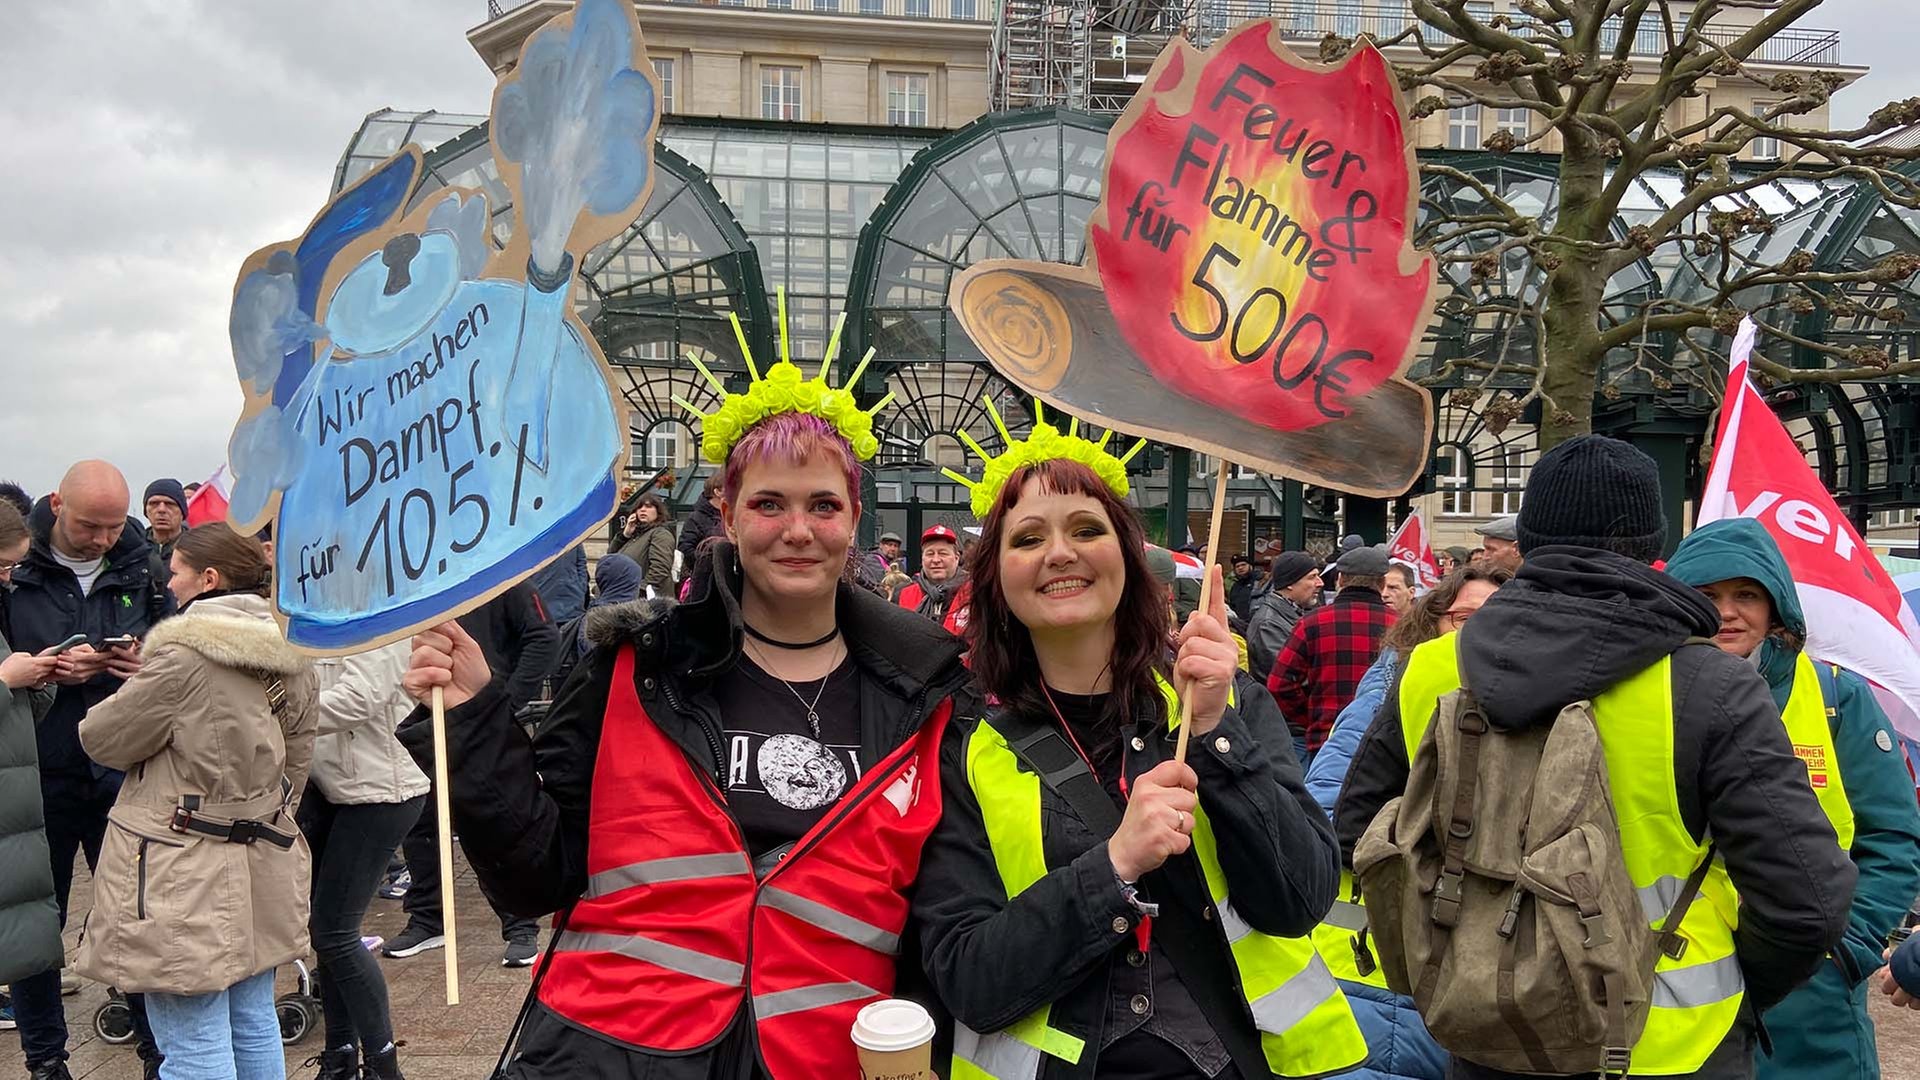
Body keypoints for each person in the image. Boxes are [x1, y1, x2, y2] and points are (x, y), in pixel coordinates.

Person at [396, 354, 975, 1077]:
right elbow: (536, 880)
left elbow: (943, 926)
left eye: (823, 505)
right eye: (769, 504)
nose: (797, 529)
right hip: (612, 1058)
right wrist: (476, 719)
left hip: (826, 1062)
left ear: (855, 519)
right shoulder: (636, 665)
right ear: (727, 516)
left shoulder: (928, 699)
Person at [1335, 435, 1857, 1080]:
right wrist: (1744, 986)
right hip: (1670, 1043)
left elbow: (1360, 836)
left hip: (1489, 1028)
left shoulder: (1431, 669)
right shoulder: (1710, 685)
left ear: (1527, 537)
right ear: (1653, 544)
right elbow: (1806, 900)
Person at [914, 426, 1368, 1080]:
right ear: (995, 578)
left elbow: (1300, 900)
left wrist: (1215, 735)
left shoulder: (1226, 700)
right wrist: (1115, 865)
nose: (1060, 553)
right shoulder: (960, 742)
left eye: (1087, 530)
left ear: (1128, 558)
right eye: (1028, 538)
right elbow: (970, 980)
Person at [1665, 518, 1920, 1080]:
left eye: (1746, 595)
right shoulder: (1644, 691)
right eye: (1706, 596)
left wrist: (1845, 947)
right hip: (1677, 987)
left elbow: (1893, 838)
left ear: (1776, 607)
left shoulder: (1835, 695)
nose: (1727, 611)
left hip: (1813, 998)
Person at [73, 523, 317, 1080]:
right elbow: (296, 760)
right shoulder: (297, 649)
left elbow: (101, 738)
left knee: (192, 1040)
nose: (170, 580)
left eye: (177, 570)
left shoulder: (182, 659)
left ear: (209, 579)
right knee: (253, 1018)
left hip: (179, 867)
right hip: (263, 856)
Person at [1298, 566, 1510, 1080]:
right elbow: (1326, 810)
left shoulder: (1525, 710)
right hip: (1367, 956)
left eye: (1497, 620)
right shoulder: (1388, 691)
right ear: (1431, 622)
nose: (1476, 635)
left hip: (1466, 977)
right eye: (1464, 618)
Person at [6, 461, 171, 1080]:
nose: (102, 538)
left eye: (111, 526)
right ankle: (46, 1058)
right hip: (36, 770)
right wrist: (39, 670)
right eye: (88, 526)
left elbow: (168, 640)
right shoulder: (15, 568)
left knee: (133, 914)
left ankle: (157, 1050)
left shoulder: (142, 563)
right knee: (35, 924)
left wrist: (138, 663)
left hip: (119, 767)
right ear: (56, 505)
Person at [386, 582, 556, 967]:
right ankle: (429, 917)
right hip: (424, 714)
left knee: (489, 819)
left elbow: (545, 638)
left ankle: (520, 925)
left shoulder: (501, 578)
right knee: (422, 822)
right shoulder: (415, 582)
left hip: (480, 719)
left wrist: (504, 699)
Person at [300, 637, 431, 1080]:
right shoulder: (312, 611)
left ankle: (383, 1065)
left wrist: (273, 712)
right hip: (329, 787)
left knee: (334, 931)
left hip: (380, 792)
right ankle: (340, 1056)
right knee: (326, 931)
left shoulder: (375, 615)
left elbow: (361, 698)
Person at [0, 501, 62, 1020]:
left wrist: (41, 681)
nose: (9, 577)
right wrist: (5, 682)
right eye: (1, 564)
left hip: (15, 811)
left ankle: (46, 1059)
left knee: (25, 937)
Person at [1267, 546, 1393, 769]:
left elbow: (1279, 685)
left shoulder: (1311, 623)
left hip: (1327, 740)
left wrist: (1311, 717)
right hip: (1384, 742)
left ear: (1341, 580)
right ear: (1382, 584)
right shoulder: (1402, 625)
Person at [1245, 552, 1320, 685]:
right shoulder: (1268, 624)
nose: (1320, 583)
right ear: (1290, 583)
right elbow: (1289, 676)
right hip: (1280, 704)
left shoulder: (1294, 613)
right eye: (1312, 577)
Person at [896, 523, 971, 630]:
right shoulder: (902, 594)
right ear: (922, 558)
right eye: (930, 554)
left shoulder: (976, 594)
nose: (936, 560)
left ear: (957, 557)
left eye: (943, 553)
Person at [612, 494, 676, 595]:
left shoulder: (660, 534)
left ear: (658, 511)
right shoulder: (636, 535)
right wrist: (625, 535)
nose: (642, 510)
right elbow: (611, 558)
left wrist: (641, 588)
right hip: (628, 594)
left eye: (648, 506)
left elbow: (660, 567)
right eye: (639, 507)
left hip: (647, 599)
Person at [676, 471, 726, 580]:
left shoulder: (734, 515)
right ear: (718, 492)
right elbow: (685, 548)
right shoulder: (696, 517)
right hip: (705, 580)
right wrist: (711, 561)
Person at [529, 544, 590, 626]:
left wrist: (581, 587)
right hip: (544, 606)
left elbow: (581, 561)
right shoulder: (534, 539)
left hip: (573, 604)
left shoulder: (572, 535)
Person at [142, 478, 187, 583]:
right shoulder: (134, 549)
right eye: (154, 503)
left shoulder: (196, 550)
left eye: (170, 504)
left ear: (182, 511)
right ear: (146, 511)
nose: (161, 510)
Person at [1227, 553, 1259, 623]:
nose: (1240, 568)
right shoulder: (1235, 586)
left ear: (1250, 566)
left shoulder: (1259, 581)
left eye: (1243, 565)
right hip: (1240, 624)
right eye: (1237, 566)